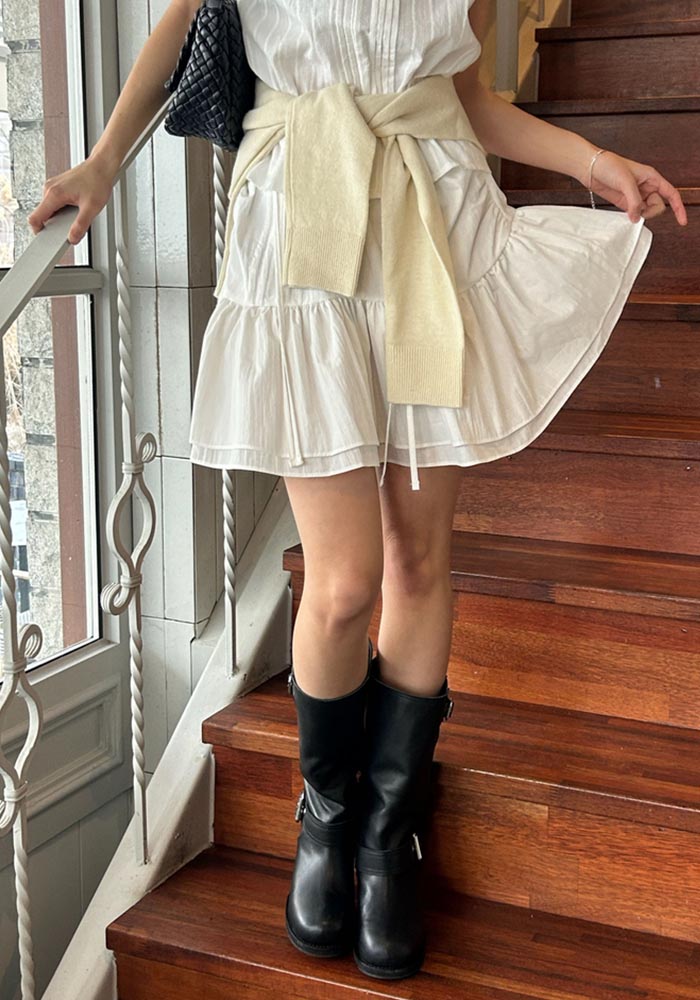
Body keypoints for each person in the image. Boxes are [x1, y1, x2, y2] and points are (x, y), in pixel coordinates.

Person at [29, 0, 687, 983]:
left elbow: (465, 98)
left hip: (434, 225)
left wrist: (588, 162)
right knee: (341, 583)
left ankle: (387, 834)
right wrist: (102, 162)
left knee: (419, 560)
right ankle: (325, 816)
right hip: (300, 227)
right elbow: (176, 28)